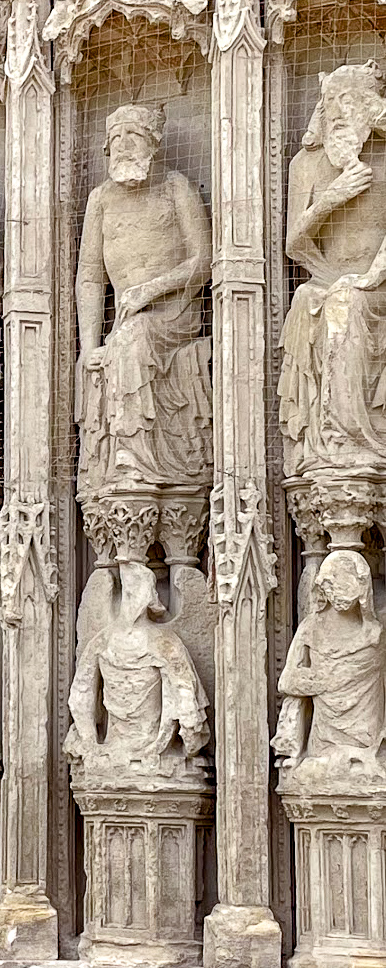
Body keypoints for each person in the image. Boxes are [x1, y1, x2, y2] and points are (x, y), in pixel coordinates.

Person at [76, 104, 212, 494]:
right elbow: (90, 277)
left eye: (133, 135)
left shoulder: (174, 186)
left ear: (153, 143)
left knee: (131, 338)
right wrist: (88, 347)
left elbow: (203, 260)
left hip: (174, 314)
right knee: (125, 338)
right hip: (126, 320)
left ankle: (133, 458)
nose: (123, 144)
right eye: (115, 138)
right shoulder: (100, 200)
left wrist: (150, 291)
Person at [279, 61, 386, 475]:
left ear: (370, 106)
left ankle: (351, 440)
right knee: (307, 297)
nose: (339, 113)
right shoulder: (305, 165)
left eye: (349, 101)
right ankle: (323, 442)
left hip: (378, 280)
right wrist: (329, 198)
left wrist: (372, 275)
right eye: (331, 104)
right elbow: (294, 245)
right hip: (331, 278)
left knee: (344, 301)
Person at [65, 561, 209, 769]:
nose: (134, 600)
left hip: (153, 751)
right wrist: (90, 743)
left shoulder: (163, 643)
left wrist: (172, 741)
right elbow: (80, 694)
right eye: (130, 592)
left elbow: (185, 697)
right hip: (113, 750)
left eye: (136, 591)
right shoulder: (102, 641)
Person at [273, 551, 385, 769]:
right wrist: (323, 681)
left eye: (344, 586)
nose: (336, 593)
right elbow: (286, 681)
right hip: (324, 739)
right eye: (330, 586)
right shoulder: (311, 628)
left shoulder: (376, 635)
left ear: (362, 589)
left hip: (367, 739)